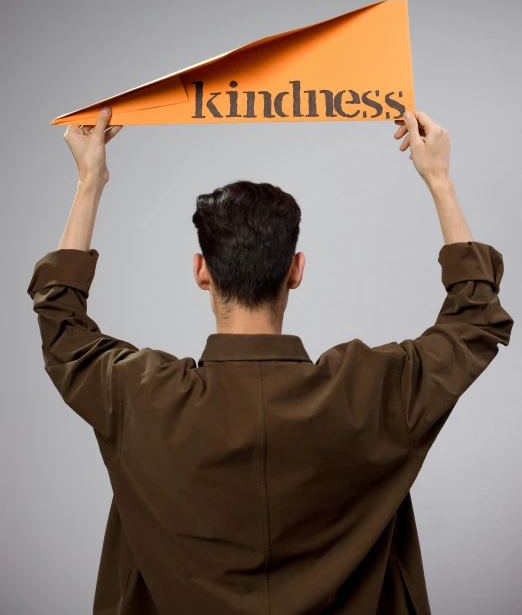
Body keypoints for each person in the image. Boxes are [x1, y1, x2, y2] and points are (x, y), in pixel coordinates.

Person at [27, 108, 513, 615]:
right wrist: (439, 178)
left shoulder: (140, 395)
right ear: (296, 270)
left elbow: (60, 320)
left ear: (201, 272)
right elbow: (474, 320)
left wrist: (90, 179)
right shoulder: (371, 390)